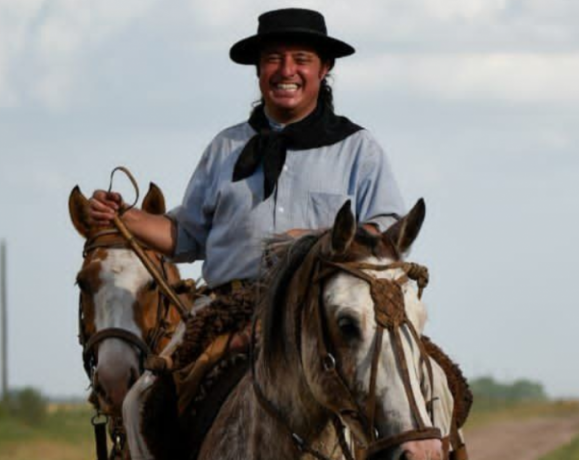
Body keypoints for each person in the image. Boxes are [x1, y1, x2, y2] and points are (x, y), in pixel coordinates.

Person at [88, 8, 459, 459]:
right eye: (273, 59)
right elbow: (184, 235)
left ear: (324, 70)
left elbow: (383, 231)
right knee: (143, 398)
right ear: (259, 70)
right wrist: (125, 216)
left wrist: (319, 241)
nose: (287, 71)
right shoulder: (225, 146)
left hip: (320, 311)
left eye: (301, 58)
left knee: (436, 384)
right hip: (226, 309)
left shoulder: (358, 148)